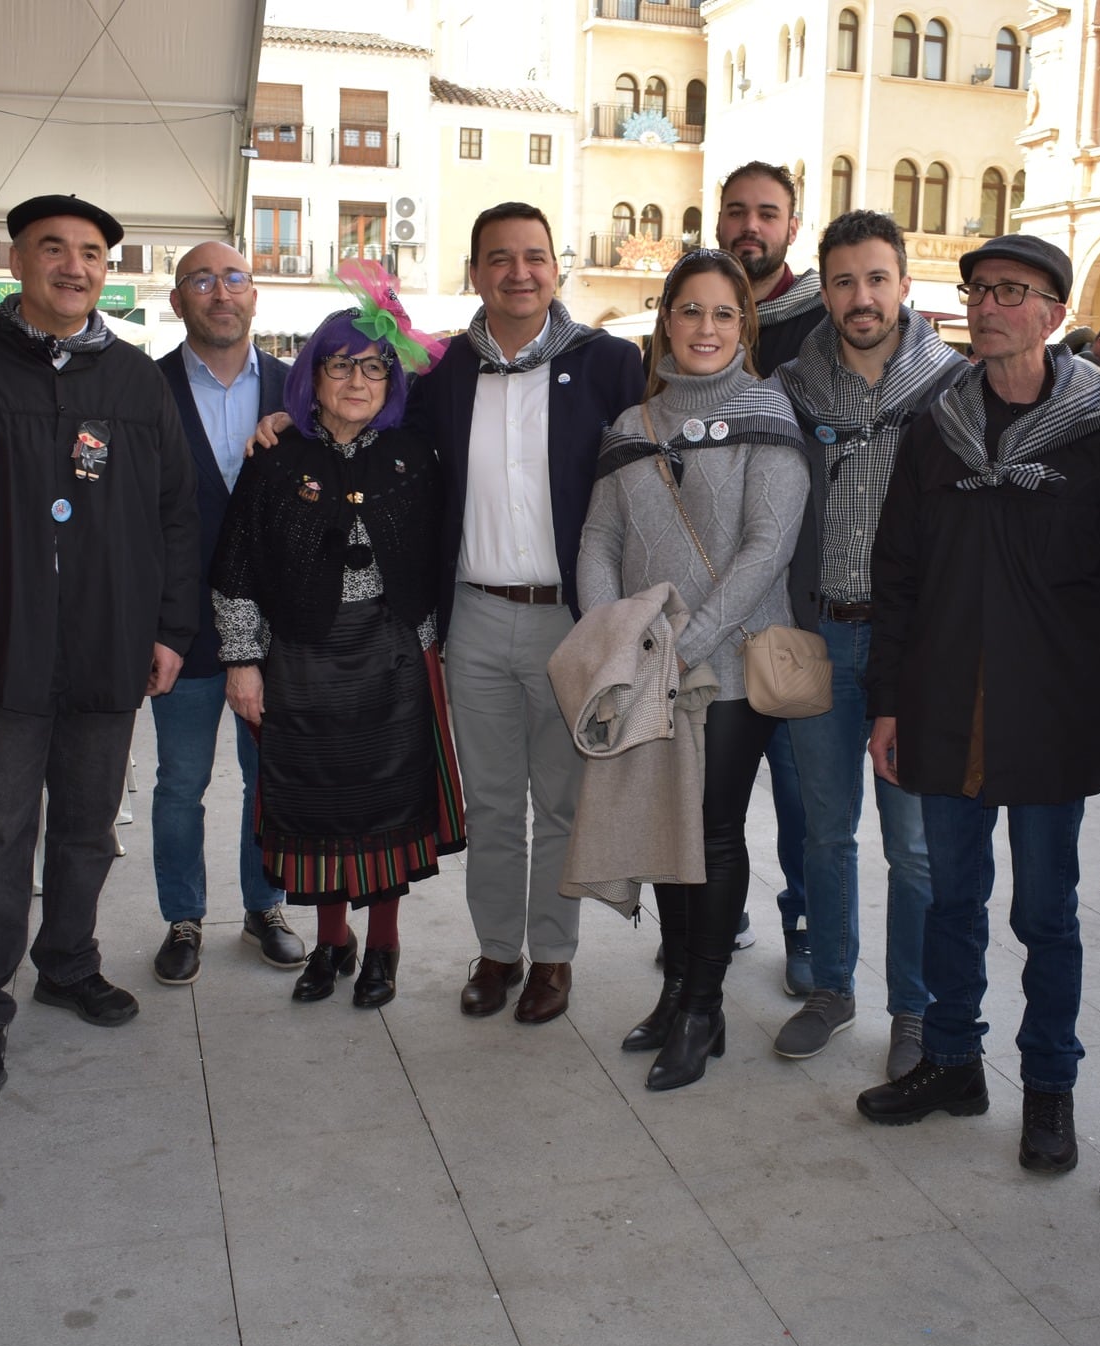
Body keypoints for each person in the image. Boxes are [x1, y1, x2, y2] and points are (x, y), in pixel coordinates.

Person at [855, 235, 1100, 1176]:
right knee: (950, 896)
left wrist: (1071, 656)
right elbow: (894, 576)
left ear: (1054, 313)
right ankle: (951, 1062)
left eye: (1010, 292)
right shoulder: (933, 427)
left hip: (1046, 714)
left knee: (1046, 914)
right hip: (942, 705)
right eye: (978, 291)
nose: (987, 307)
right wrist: (888, 702)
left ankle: (1049, 1090)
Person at [0, 195, 202, 1094]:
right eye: (54, 250)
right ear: (17, 262)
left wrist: (169, 630)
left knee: (85, 827)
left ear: (109, 269)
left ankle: (67, 963)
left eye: (92, 253)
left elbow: (175, 517)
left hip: (109, 648)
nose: (74, 266)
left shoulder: (137, 383)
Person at [578, 249, 807, 1089]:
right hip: (650, 662)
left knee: (709, 827)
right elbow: (599, 539)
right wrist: (618, 635)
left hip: (733, 665)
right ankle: (675, 989)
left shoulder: (766, 411)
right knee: (665, 823)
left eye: (724, 314)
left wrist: (683, 643)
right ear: (665, 320)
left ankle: (705, 1008)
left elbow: (766, 547)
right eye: (690, 311)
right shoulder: (634, 424)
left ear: (743, 324)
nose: (706, 328)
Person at [412, 203, 645, 1025]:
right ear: (474, 272)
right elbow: (368, 423)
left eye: (535, 256)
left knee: (562, 801)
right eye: (500, 258)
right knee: (493, 801)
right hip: (472, 618)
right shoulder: (438, 373)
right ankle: (496, 951)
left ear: (559, 267)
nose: (520, 272)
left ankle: (553, 957)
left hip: (569, 622)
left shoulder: (612, 363)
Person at [213, 298, 461, 1008]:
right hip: (301, 663)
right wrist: (241, 659)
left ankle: (382, 944)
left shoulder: (415, 457)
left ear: (392, 380)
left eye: (375, 366)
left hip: (393, 659)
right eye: (341, 364)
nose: (359, 379)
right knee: (315, 808)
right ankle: (331, 943)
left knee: (388, 807)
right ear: (311, 377)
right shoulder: (275, 458)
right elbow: (237, 567)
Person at [773, 210, 969, 1073]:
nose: (863, 296)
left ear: (905, 286)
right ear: (825, 290)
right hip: (818, 642)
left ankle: (915, 1011)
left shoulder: (956, 388)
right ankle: (832, 986)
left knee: (914, 846)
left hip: (913, 658)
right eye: (845, 280)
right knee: (824, 831)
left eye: (878, 278)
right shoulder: (788, 388)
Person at [148, 242, 304, 986]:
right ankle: (183, 916)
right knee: (180, 782)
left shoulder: (297, 391)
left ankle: (264, 904)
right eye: (201, 280)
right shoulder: (142, 390)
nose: (220, 292)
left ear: (255, 295)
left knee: (266, 779)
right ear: (177, 300)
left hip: (270, 632)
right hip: (178, 630)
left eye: (233, 278)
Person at [715, 160, 821, 992]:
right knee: (710, 790)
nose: (752, 226)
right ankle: (719, 917)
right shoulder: (694, 308)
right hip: (705, 599)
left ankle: (807, 929)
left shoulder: (821, 321)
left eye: (768, 213)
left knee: (800, 798)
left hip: (793, 600)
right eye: (738, 211)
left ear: (792, 225)